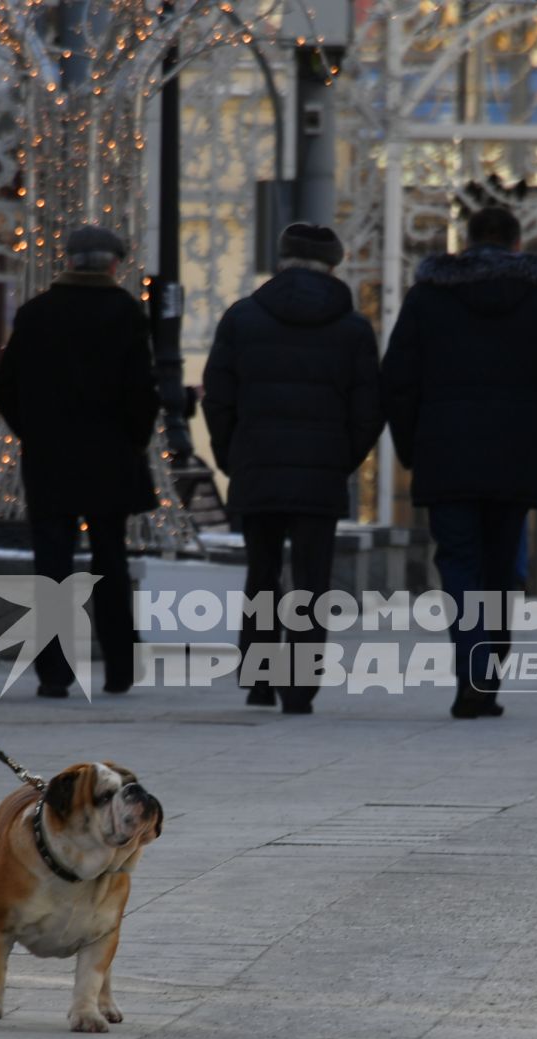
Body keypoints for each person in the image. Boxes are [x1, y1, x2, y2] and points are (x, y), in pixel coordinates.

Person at [383, 205, 537, 718]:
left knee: (458, 564)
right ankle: (488, 671)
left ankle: (473, 672)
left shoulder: (427, 299)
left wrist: (414, 449)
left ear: (465, 242)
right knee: (500, 569)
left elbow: (398, 383)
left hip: (445, 454)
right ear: (518, 244)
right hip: (515, 457)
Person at [203, 223, 381, 715]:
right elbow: (369, 410)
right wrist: (340, 460)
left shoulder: (242, 318)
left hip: (257, 465)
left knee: (261, 573)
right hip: (320, 472)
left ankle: (260, 680)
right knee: (311, 578)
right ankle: (300, 688)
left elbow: (217, 398)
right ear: (334, 265)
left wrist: (232, 456)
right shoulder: (353, 329)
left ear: (280, 261)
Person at [0, 225, 161, 697]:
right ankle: (119, 669)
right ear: (114, 264)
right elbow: (141, 393)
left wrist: (36, 432)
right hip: (111, 458)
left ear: (68, 261)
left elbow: (6, 386)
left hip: (50, 459)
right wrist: (132, 441)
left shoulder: (36, 313)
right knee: (111, 559)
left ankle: (54, 674)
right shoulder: (127, 314)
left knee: (52, 564)